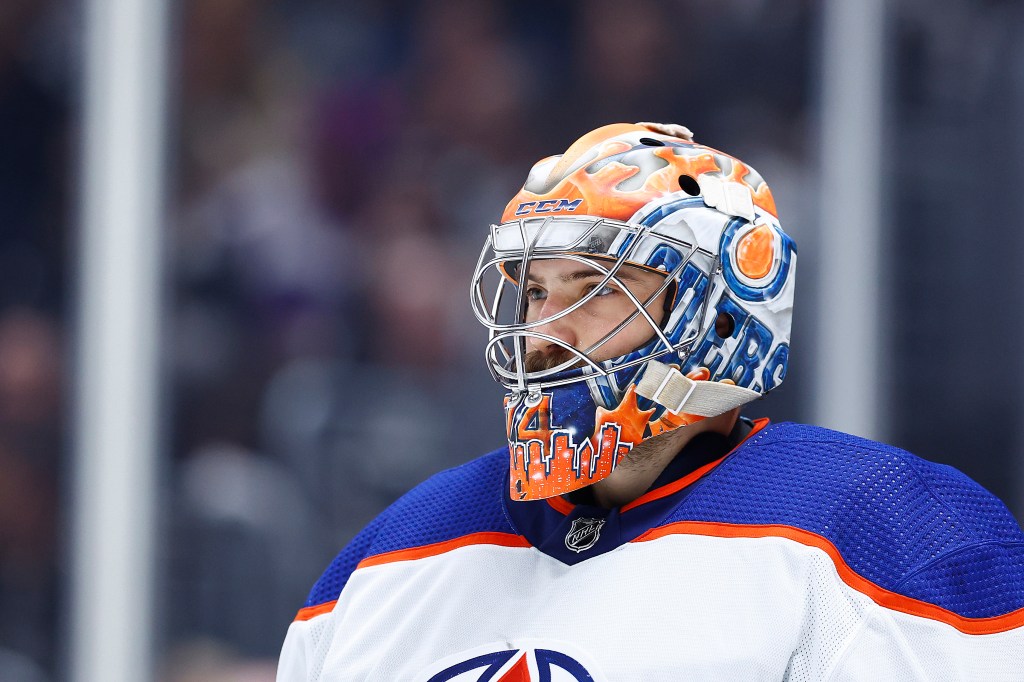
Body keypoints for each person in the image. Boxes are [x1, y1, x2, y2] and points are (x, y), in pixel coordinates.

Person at [277, 123, 1024, 680]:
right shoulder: (383, 565)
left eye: (596, 290)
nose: (543, 333)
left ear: (721, 310)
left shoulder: (882, 530)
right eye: (534, 290)